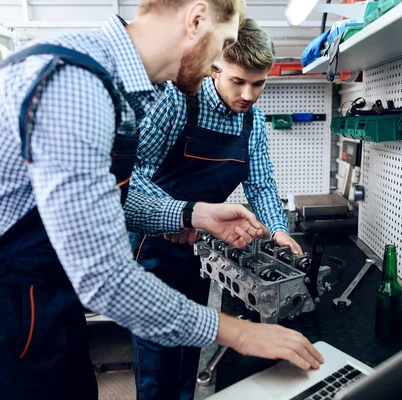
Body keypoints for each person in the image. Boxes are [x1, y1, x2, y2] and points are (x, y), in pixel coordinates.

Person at [0, 1, 322, 399]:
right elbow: (106, 278)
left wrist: (193, 214)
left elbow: (107, 199)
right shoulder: (73, 84)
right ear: (196, 19)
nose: (216, 65)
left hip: (47, 297)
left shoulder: (110, 84)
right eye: (224, 41)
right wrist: (239, 333)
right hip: (0, 313)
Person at [128, 18, 304, 400]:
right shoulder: (176, 101)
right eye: (238, 81)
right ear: (214, 68)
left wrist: (278, 231)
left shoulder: (252, 120)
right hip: (151, 248)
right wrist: (176, 212)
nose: (249, 95)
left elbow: (260, 183)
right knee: (158, 357)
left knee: (192, 343)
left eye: (258, 84)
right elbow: (130, 175)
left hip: (198, 249)